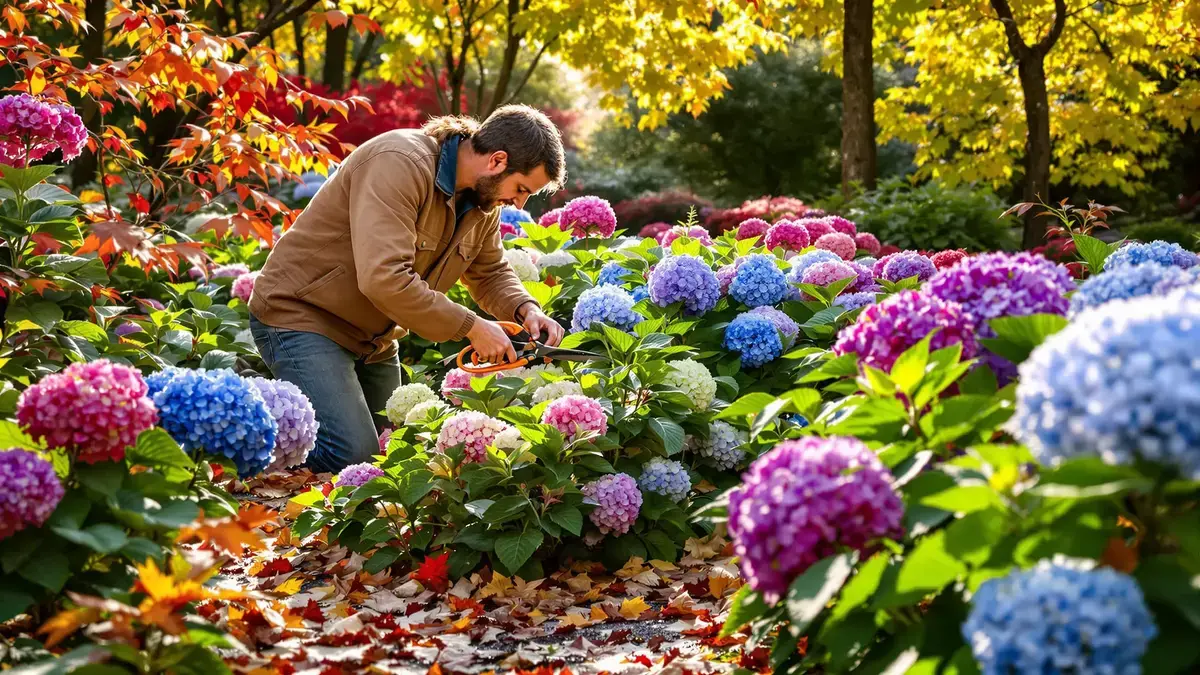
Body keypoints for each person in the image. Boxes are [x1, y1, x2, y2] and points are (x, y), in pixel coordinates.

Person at [248, 105, 567, 473]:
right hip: (302, 316)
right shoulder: (398, 162)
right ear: (497, 161)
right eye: (522, 189)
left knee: (398, 453)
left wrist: (526, 309)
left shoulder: (482, 201)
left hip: (374, 337)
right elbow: (384, 277)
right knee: (352, 456)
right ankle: (251, 426)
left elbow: (490, 270)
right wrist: (472, 327)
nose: (520, 203)